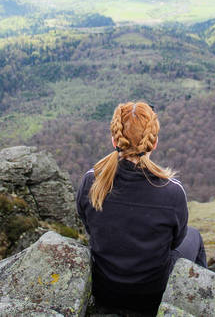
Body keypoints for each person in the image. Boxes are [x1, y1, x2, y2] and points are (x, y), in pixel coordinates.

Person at [76, 101, 206, 314]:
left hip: (105, 290)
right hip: (152, 294)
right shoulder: (171, 191)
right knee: (194, 237)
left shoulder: (91, 181)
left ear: (114, 139)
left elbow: (89, 225)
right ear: (153, 143)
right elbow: (177, 241)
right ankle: (196, 304)